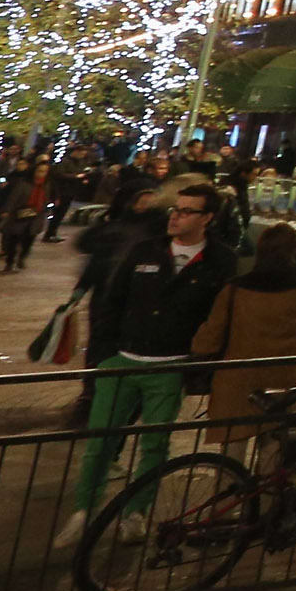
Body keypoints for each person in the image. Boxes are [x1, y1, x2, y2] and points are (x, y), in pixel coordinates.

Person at [56, 186, 234, 550]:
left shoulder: (220, 260)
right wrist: (105, 355)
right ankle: (82, 511)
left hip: (169, 367)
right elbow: (112, 300)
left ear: (207, 219)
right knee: (101, 442)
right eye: (176, 209)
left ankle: (135, 513)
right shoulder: (146, 249)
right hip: (122, 361)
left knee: (154, 445)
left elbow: (219, 316)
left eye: (187, 211)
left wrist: (197, 367)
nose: (176, 215)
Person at [191, 224, 296, 441]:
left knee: (234, 443)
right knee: (273, 441)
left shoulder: (235, 290)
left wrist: (197, 351)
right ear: (293, 251)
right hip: (283, 375)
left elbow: (211, 335)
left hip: (237, 376)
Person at [0, 153, 48, 273]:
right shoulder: (23, 183)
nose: (41, 174)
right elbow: (13, 198)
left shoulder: (46, 186)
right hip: (19, 215)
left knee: (29, 240)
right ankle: (10, 261)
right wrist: (6, 210)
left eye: (44, 171)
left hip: (36, 217)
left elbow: (47, 199)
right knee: (13, 240)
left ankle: (22, 257)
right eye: (40, 171)